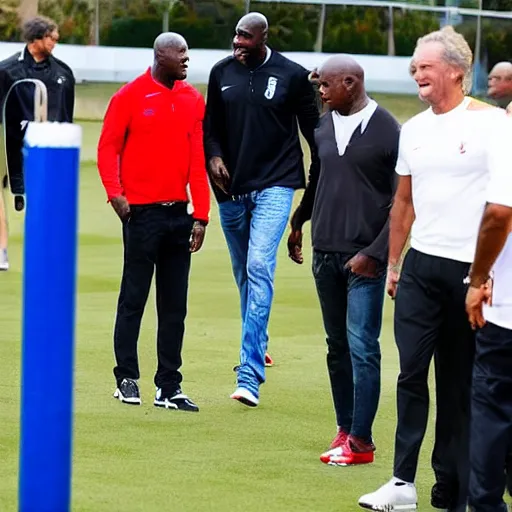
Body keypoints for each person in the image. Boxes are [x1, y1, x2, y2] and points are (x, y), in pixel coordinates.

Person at [359, 26, 509, 511]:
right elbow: (403, 202)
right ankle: (402, 482)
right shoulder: (415, 129)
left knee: (459, 380)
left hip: (471, 270)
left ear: (456, 71)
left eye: (425, 66)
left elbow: (501, 205)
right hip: (421, 266)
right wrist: (396, 263)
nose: (416, 73)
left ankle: (454, 487)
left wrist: (482, 276)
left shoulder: (492, 124)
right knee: (410, 372)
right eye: (414, 66)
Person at [287, 55, 400, 466]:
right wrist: (300, 220)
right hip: (325, 254)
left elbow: (403, 203)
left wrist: (375, 254)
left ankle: (362, 442)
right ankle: (345, 428)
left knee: (363, 349)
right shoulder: (323, 125)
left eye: (326, 86)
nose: (320, 93)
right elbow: (320, 178)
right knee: (337, 347)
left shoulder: (389, 130)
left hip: (364, 261)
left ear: (350, 83)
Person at [203, 12, 320, 407]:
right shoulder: (220, 73)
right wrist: (215, 156)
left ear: (263, 38)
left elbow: (316, 137)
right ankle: (259, 337)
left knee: (258, 267)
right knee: (243, 274)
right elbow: (210, 130)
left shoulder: (292, 75)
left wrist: (311, 202)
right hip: (229, 190)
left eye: (245, 37)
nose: (237, 42)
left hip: (276, 184)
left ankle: (249, 373)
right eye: (235, 34)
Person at [97, 32, 210, 412]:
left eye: (186, 53)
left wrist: (202, 216)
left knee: (174, 305)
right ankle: (126, 377)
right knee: (134, 299)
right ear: (160, 55)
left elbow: (197, 159)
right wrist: (116, 194)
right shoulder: (129, 96)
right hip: (141, 214)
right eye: (180, 52)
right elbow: (108, 147)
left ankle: (168, 386)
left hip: (179, 214)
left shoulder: (193, 99)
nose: (186, 58)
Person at [0, 15, 75, 271]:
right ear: (36, 38)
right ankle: (1, 251)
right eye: (51, 37)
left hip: (51, 153)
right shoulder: (7, 70)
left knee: (48, 205)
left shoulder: (64, 73)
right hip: (12, 150)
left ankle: (46, 257)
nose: (55, 41)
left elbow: (67, 115)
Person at [465, 116, 512, 512]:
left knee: (492, 417)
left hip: (507, 315)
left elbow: (499, 213)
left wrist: (478, 277)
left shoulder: (507, 139)